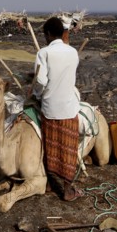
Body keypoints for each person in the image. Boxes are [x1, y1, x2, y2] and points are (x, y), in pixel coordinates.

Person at [32, 17, 83, 201]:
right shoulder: (73, 52)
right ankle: (68, 189)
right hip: (69, 108)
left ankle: (48, 183)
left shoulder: (44, 53)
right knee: (68, 148)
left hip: (50, 109)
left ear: (47, 34)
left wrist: (36, 94)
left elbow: (41, 81)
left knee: (50, 147)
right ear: (63, 33)